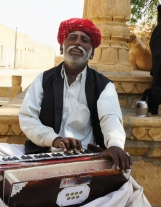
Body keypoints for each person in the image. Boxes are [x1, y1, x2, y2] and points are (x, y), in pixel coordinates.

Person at [19, 18, 132, 172]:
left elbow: (111, 118)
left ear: (91, 54)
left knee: (127, 189)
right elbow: (27, 118)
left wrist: (115, 145)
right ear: (61, 47)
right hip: (44, 153)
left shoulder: (104, 86)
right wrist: (55, 140)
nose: (77, 42)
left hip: (84, 157)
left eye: (84, 40)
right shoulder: (43, 79)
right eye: (72, 37)